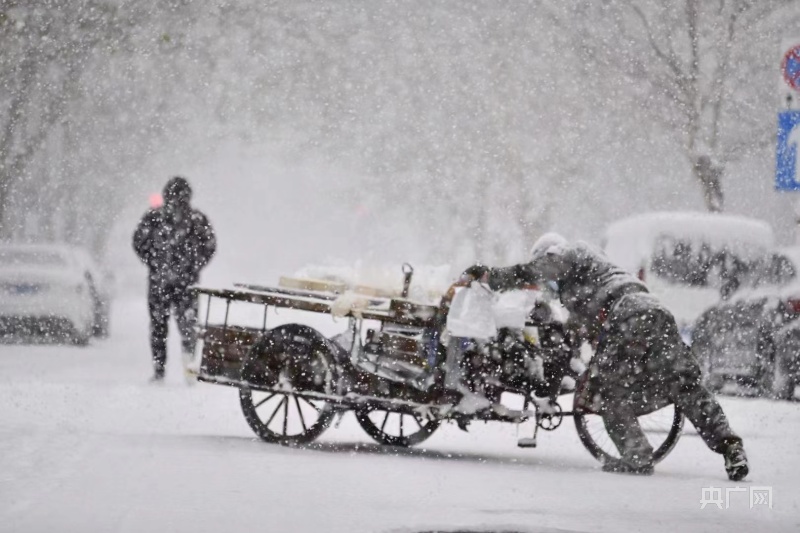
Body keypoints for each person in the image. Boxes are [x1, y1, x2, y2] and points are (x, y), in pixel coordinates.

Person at [460, 233, 748, 481]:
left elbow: (536, 272)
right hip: (655, 312)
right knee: (685, 384)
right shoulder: (591, 276)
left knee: (604, 388)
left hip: (626, 316)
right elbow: (574, 338)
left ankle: (637, 455)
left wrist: (491, 276)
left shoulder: (573, 252)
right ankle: (731, 447)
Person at [133, 176, 216, 382]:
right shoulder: (196, 220)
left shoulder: (154, 218)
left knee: (160, 327)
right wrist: (194, 265)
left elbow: (139, 242)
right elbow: (209, 246)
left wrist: (153, 262)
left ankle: (161, 370)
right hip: (185, 283)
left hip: (162, 282)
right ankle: (188, 369)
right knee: (187, 326)